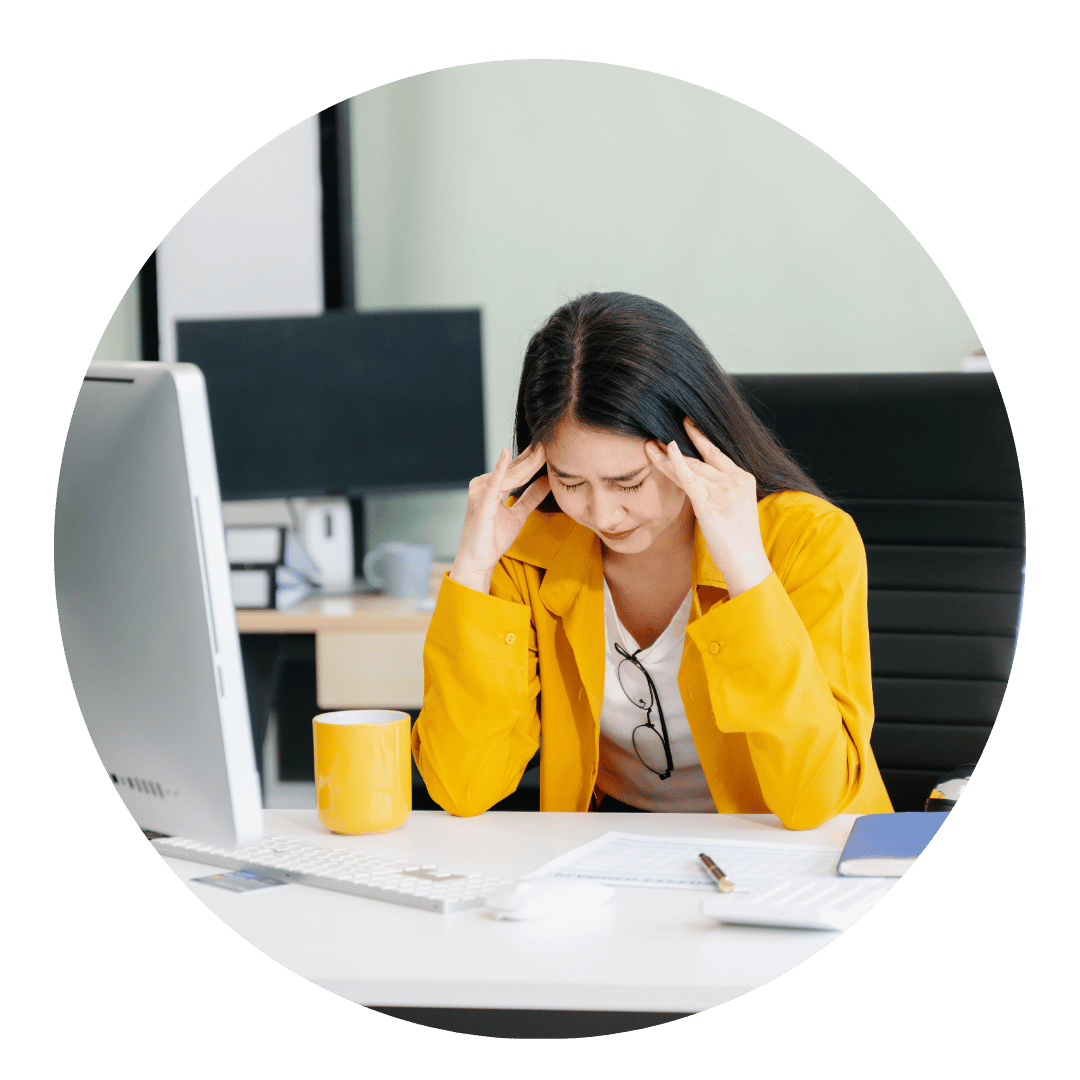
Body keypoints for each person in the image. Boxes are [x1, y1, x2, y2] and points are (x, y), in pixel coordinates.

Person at [411, 292, 893, 828]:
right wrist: (473, 571)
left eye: (628, 482)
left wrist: (747, 575)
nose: (602, 514)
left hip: (789, 847)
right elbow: (461, 785)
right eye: (570, 482)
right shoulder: (526, 550)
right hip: (616, 849)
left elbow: (815, 800)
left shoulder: (808, 539)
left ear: (692, 446)